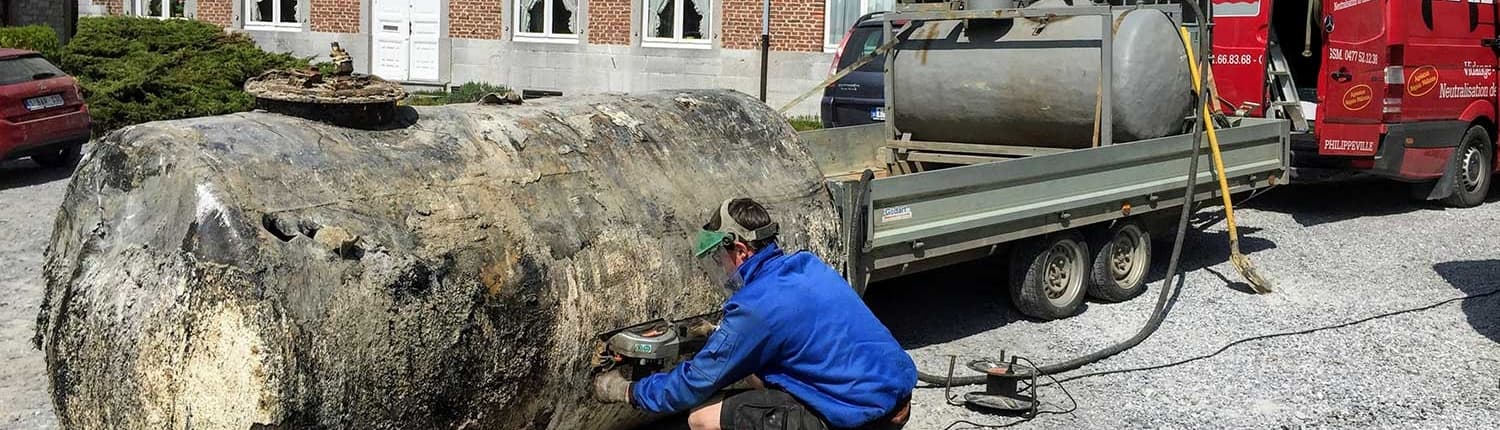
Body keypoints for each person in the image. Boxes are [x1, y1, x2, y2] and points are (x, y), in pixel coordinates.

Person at [593, 198, 917, 430]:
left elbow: (692, 384)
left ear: (742, 249)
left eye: (719, 259)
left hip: (863, 416)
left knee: (702, 418)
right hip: (897, 395)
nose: (719, 270)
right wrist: (719, 334)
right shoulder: (805, 265)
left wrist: (626, 391)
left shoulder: (756, 308)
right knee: (758, 377)